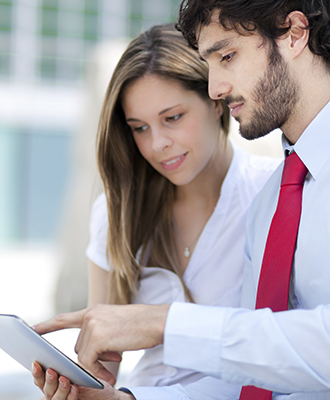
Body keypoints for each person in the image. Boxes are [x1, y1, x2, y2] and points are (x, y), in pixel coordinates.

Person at [33, 1, 330, 399]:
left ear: (293, 33)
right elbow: (253, 374)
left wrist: (164, 323)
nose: (214, 88)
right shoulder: (272, 201)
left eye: (227, 56)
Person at [31, 23, 279, 399]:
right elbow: (103, 363)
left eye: (173, 118)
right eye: (139, 128)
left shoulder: (272, 196)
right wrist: (82, 386)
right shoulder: (118, 212)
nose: (157, 144)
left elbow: (277, 354)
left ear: (215, 101)